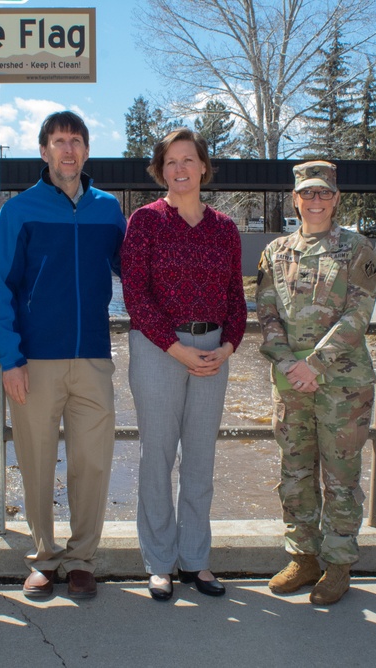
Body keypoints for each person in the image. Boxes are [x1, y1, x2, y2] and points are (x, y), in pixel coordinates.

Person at [0, 111, 126, 600]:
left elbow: (134, 271)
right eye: (58, 141)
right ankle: (44, 558)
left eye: (76, 141)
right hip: (34, 362)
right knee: (38, 460)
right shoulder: (19, 210)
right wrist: (11, 358)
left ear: (87, 151)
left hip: (92, 359)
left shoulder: (109, 210)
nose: (68, 150)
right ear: (44, 151)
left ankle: (83, 558)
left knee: (93, 461)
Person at [121, 128, 247, 601]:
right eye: (171, 161)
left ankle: (195, 559)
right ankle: (159, 562)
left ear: (203, 167)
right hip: (158, 349)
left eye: (188, 160)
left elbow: (237, 299)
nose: (180, 169)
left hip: (214, 349)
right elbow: (136, 295)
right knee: (157, 456)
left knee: (200, 458)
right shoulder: (145, 222)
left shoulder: (225, 228)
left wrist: (228, 346)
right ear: (161, 170)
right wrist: (177, 350)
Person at [256, 161, 376, 605]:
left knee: (341, 477)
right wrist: (289, 363)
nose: (316, 201)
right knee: (296, 472)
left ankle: (339, 562)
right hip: (291, 383)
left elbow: (358, 314)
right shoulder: (276, 251)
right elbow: (267, 312)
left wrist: (316, 364)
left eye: (324, 193)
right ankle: (303, 556)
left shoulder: (355, 248)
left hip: (342, 385)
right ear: (295, 198)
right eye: (308, 193)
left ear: (336, 198)